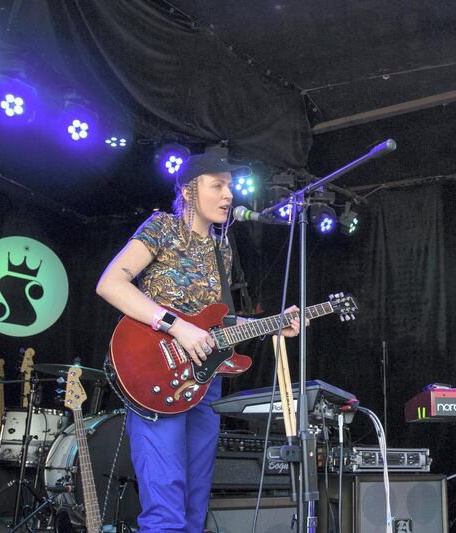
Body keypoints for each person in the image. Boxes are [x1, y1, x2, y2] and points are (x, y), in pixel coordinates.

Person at [96, 146, 302, 533]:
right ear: (190, 190)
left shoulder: (222, 248)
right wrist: (176, 325)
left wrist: (274, 323)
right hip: (155, 370)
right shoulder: (162, 228)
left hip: (205, 380)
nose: (229, 195)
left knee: (195, 504)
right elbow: (110, 284)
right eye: (218, 185)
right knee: (165, 505)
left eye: (231, 186)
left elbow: (214, 324)